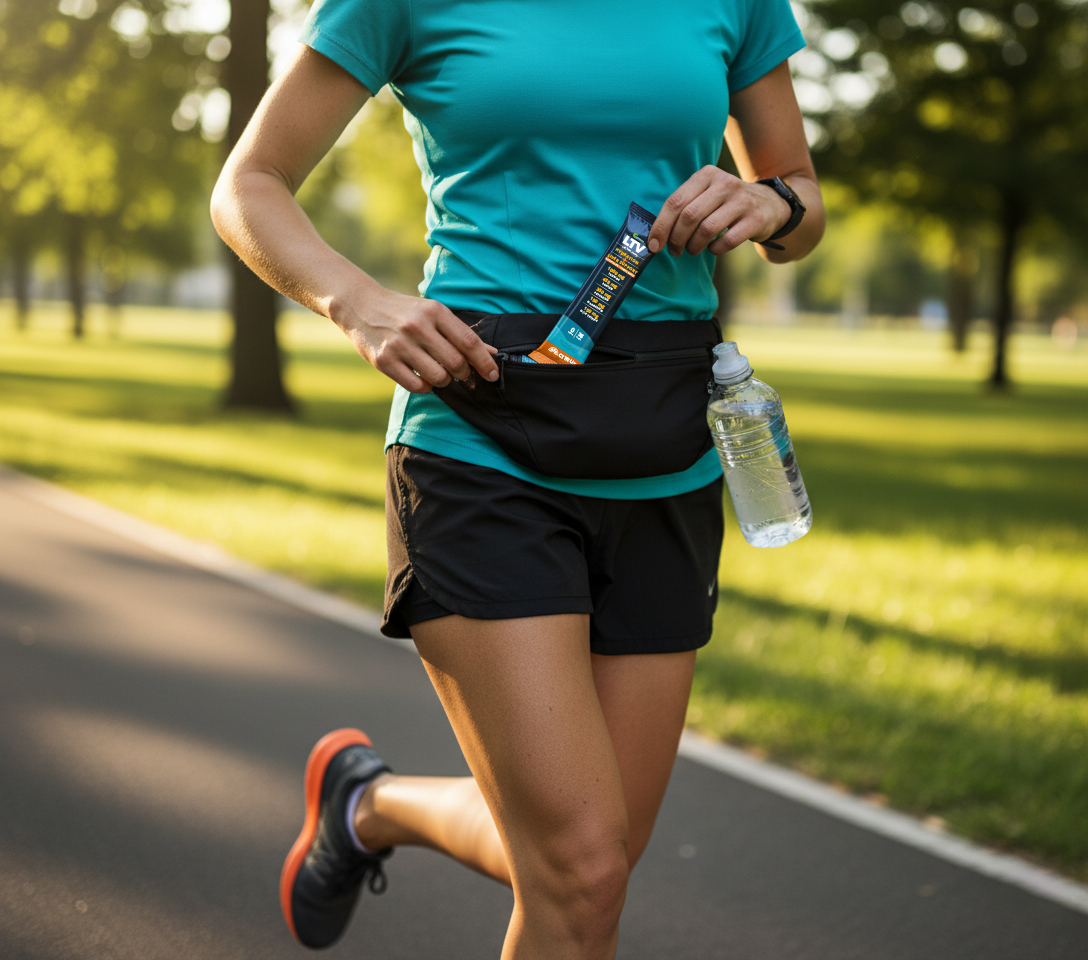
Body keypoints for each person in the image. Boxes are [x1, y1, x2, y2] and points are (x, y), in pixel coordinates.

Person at [211, 1, 825, 956]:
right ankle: (370, 805)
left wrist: (770, 204)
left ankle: (367, 806)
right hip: (479, 434)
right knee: (580, 870)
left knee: (593, 861)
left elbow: (800, 200)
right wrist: (361, 304)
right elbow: (249, 183)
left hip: (665, 446)